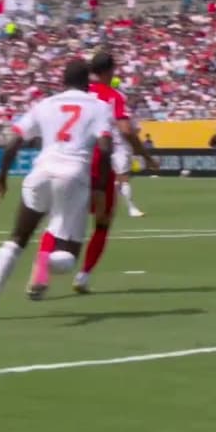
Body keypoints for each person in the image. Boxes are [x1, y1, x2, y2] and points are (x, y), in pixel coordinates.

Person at [0, 59, 115, 320]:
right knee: (69, 255)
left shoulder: (45, 105)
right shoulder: (100, 107)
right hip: (73, 177)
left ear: (63, 81)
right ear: (88, 82)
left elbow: (13, 142)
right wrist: (99, 188)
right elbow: (106, 149)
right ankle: (45, 261)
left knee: (16, 239)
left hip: (40, 173)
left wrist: (1, 178)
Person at [82, 53, 154, 290]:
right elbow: (125, 129)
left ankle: (41, 270)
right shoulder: (114, 97)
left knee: (62, 221)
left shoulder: (78, 92)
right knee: (102, 221)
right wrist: (145, 156)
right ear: (110, 70)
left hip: (75, 159)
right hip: (106, 154)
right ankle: (83, 275)